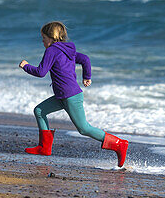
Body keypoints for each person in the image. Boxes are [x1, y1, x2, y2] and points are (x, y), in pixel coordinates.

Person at [18, 20, 129, 167]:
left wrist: (25, 66)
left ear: (51, 38)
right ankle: (44, 147)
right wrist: (87, 76)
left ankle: (119, 144)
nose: (42, 41)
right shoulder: (66, 50)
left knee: (84, 128)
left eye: (43, 38)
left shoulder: (51, 50)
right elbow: (85, 59)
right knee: (39, 111)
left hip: (70, 96)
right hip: (63, 96)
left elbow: (40, 72)